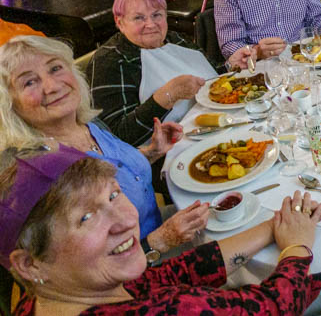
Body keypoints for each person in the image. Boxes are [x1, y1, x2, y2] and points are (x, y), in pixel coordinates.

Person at [1, 145, 321, 316]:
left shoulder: (55, 296)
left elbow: (172, 275)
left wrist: (275, 226)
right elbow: (274, 307)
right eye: (86, 218)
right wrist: (297, 248)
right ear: (29, 264)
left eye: (114, 194)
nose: (127, 220)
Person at [0, 35, 207, 258]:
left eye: (55, 68)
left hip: (163, 226)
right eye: (29, 82)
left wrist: (151, 151)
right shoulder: (41, 172)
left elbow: (111, 167)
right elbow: (83, 271)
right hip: (137, 265)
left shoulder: (88, 124)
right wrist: (161, 240)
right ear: (9, 104)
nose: (51, 86)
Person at [87, 0, 252, 146]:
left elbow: (210, 75)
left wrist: (231, 65)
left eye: (156, 15)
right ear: (120, 22)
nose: (150, 24)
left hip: (218, 126)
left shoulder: (175, 39)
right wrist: (167, 96)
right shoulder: (109, 62)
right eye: (139, 18)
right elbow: (117, 138)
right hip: (167, 153)